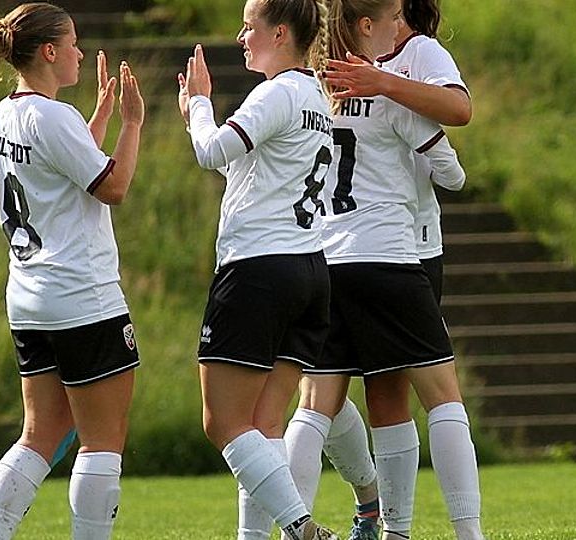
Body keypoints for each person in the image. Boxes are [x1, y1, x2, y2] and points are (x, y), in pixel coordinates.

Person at [284, 1, 484, 540]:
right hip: (393, 255)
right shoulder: (379, 90)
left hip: (326, 256)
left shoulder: (312, 88)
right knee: (440, 395)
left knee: (322, 403)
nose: (398, 24)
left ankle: (345, 528)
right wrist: (388, 95)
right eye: (390, 15)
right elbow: (452, 171)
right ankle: (462, 532)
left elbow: (457, 105)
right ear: (367, 24)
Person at [0, 3, 144, 539]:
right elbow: (113, 187)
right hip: (81, 296)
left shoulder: (6, 112)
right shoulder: (53, 116)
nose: (80, 53)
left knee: (41, 433)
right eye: (72, 44)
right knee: (102, 440)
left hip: (30, 298)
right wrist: (132, 123)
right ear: (49, 52)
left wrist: (97, 121)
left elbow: (58, 167)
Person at [176, 1, 338, 539]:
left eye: (249, 27)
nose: (241, 37)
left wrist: (199, 105)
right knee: (263, 425)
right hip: (309, 271)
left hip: (258, 271)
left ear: (281, 32)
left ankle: (301, 527)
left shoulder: (277, 92)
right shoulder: (316, 96)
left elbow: (210, 151)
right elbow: (247, 172)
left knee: (223, 423)